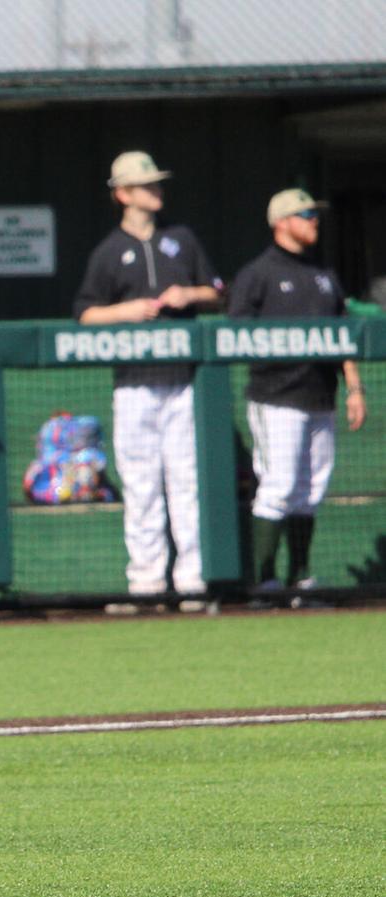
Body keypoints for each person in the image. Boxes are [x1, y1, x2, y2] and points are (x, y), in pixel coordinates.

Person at [73, 151, 223, 612]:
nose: (156, 190)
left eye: (157, 183)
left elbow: (219, 292)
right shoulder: (108, 251)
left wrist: (189, 293)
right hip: (134, 383)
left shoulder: (182, 239)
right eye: (145, 184)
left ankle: (192, 581)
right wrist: (128, 311)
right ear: (122, 193)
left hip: (182, 379)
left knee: (186, 481)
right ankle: (146, 584)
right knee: (141, 484)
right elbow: (85, 315)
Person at [228, 188, 367, 604]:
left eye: (314, 214)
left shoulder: (324, 273)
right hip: (276, 395)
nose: (314, 221)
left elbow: (344, 332)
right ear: (282, 221)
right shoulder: (259, 272)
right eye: (306, 214)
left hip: (320, 395)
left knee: (311, 487)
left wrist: (354, 387)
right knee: (280, 485)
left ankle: (300, 580)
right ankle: (264, 582)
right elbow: (232, 333)